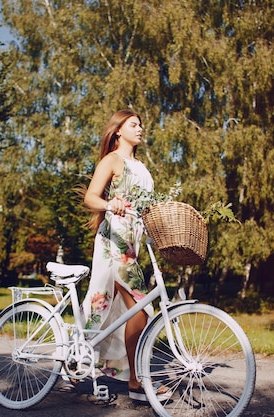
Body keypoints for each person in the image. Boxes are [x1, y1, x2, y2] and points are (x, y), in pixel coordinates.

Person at [82, 109, 163, 401]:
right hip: (113, 243)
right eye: (133, 124)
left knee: (131, 312)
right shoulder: (112, 160)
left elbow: (146, 207)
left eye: (141, 124)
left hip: (133, 245)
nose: (140, 128)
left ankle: (127, 374)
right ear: (119, 131)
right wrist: (109, 205)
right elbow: (90, 197)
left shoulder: (141, 166)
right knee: (140, 308)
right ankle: (137, 381)